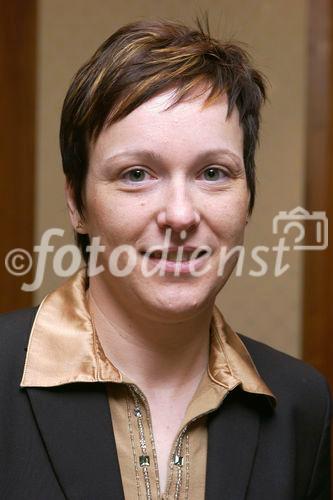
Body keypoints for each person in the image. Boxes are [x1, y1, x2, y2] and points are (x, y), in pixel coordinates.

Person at [0, 17, 331, 500]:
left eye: (213, 172)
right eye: (137, 174)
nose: (180, 214)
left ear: (248, 199)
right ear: (77, 204)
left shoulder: (303, 406)